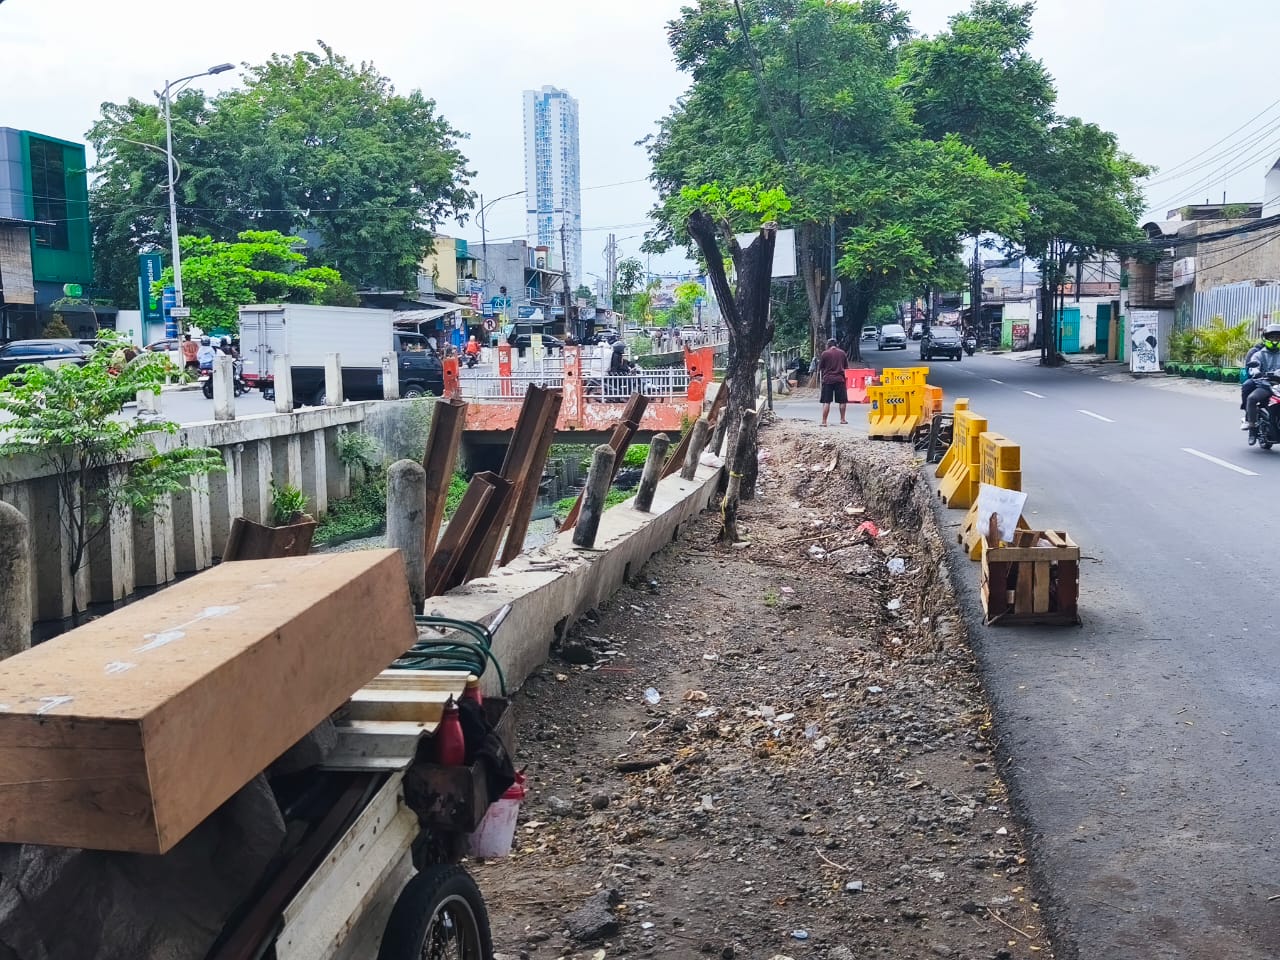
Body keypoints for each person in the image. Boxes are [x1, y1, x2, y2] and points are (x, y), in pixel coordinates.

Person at [1243, 323, 1280, 440]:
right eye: (1272, 337)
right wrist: (1256, 372)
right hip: (1265, 385)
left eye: (1277, 337)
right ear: (1266, 338)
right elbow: (1252, 366)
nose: (1275, 340)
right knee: (1252, 398)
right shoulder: (1258, 354)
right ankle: (1252, 427)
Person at [817, 338, 849, 426]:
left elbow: (821, 367)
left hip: (828, 380)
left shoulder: (825, 353)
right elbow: (846, 367)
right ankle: (842, 419)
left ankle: (824, 421)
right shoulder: (842, 353)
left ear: (828, 345)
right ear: (836, 345)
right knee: (842, 401)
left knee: (826, 401)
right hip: (840, 379)